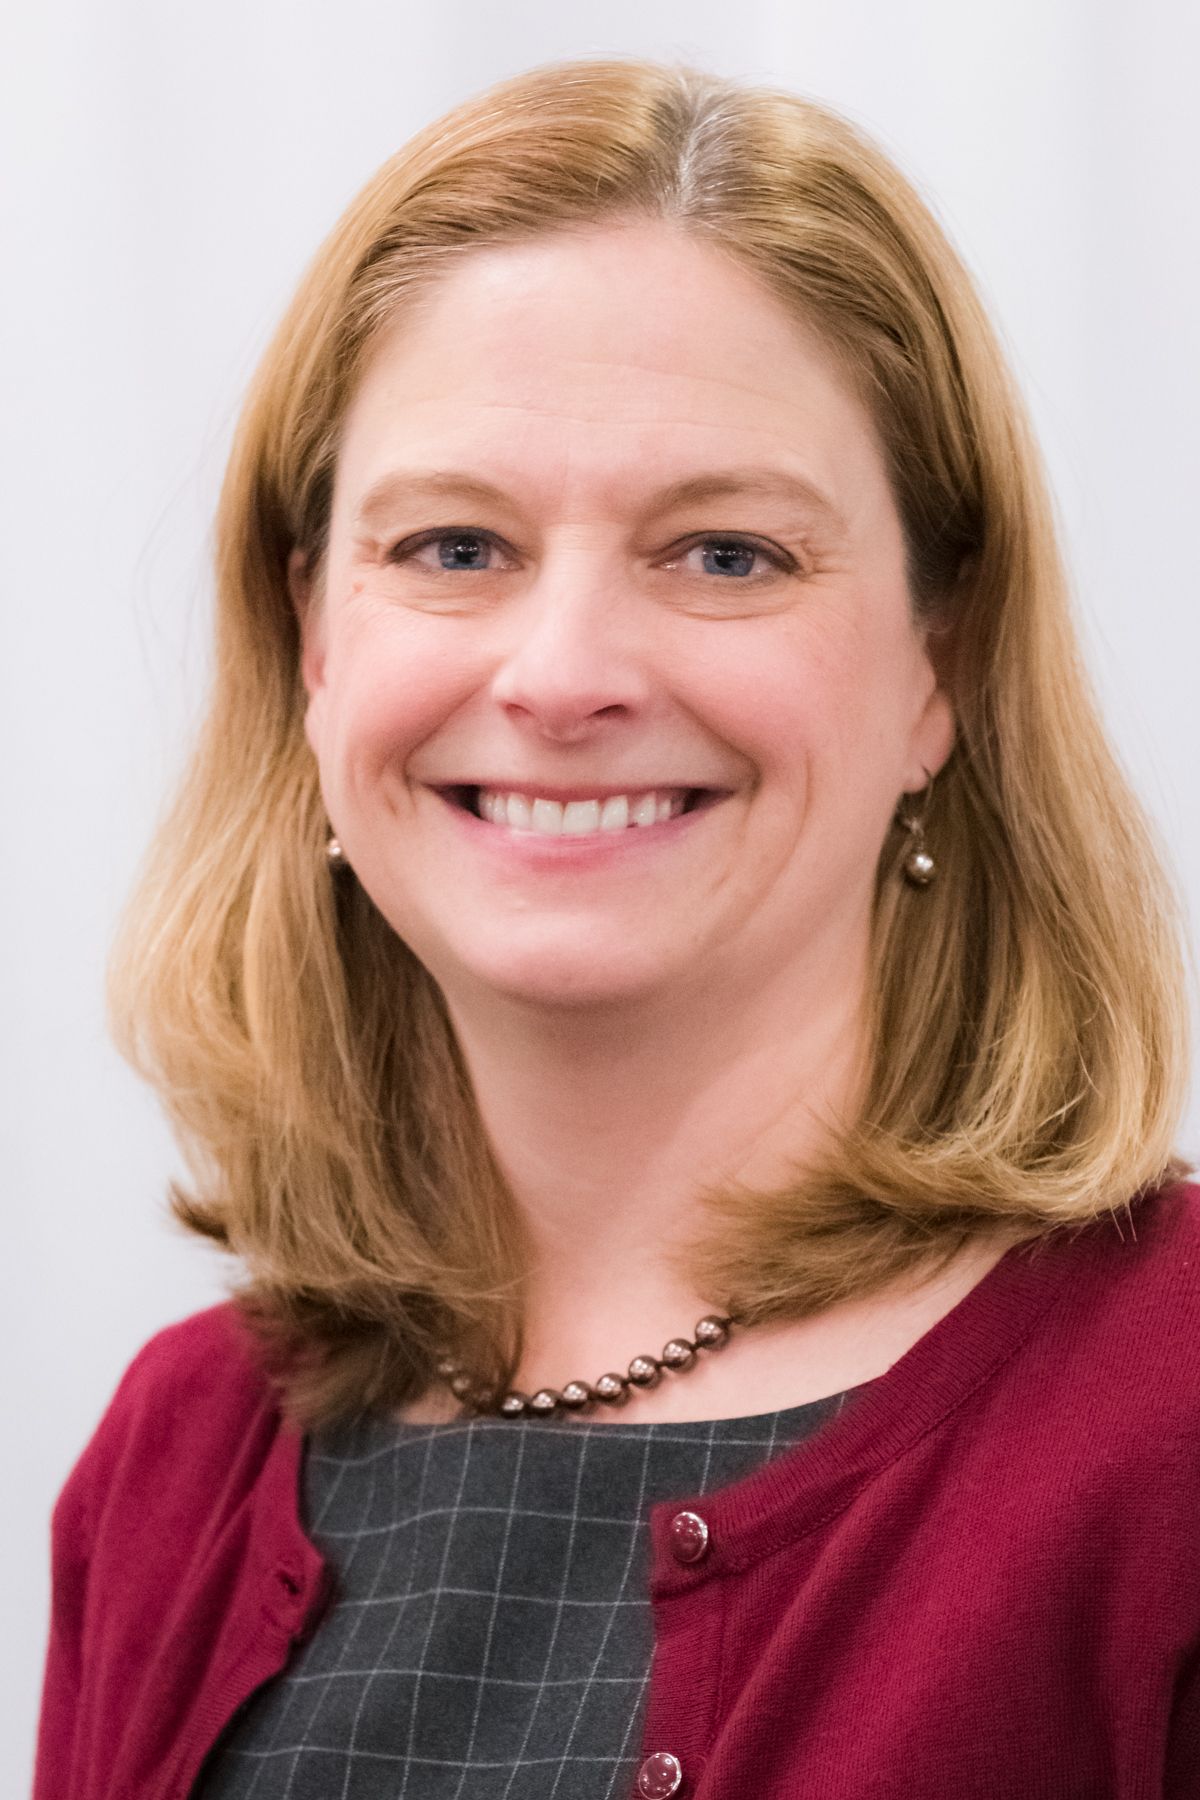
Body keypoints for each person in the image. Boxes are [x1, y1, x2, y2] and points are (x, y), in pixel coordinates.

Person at [34, 54, 1199, 1800]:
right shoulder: (176, 1455)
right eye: (452, 545)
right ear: (313, 642)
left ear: (938, 664)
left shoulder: (1172, 1421)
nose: (565, 673)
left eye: (725, 553)